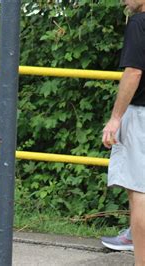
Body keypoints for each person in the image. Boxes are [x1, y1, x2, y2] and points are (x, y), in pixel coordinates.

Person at [101, 0, 145, 263]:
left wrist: (115, 118)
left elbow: (133, 72)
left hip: (141, 114)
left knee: (139, 190)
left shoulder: (139, 23)